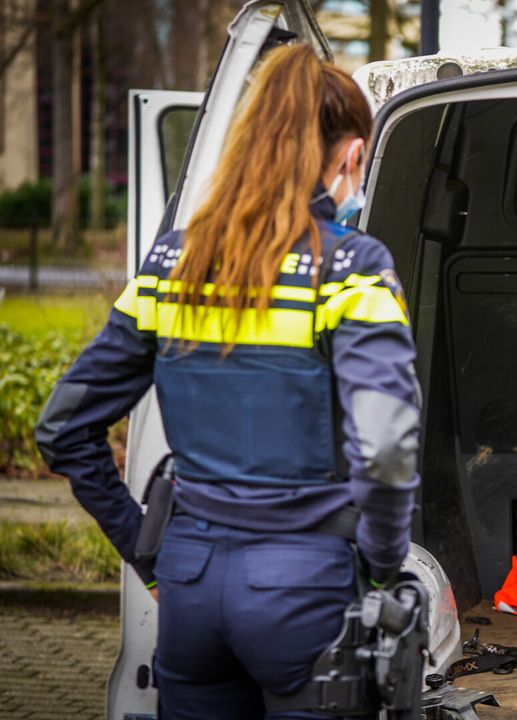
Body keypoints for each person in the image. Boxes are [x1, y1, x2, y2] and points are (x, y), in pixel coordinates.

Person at [35, 46, 420, 718]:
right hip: (307, 591)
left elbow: (63, 428)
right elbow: (385, 450)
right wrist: (384, 571)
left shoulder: (171, 264)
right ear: (352, 156)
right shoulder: (354, 268)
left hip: (188, 588)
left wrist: (146, 552)